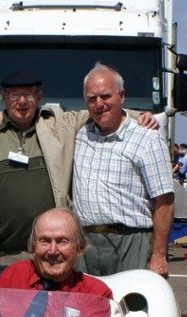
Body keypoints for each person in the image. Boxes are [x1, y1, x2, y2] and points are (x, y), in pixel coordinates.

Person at [0, 70, 157, 265]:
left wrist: (140, 117)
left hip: (54, 257)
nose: (22, 102)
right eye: (14, 95)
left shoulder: (60, 125)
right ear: (3, 97)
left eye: (29, 95)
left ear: (39, 96)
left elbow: (99, 111)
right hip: (0, 258)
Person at [72, 63, 174, 278]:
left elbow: (164, 202)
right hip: (85, 245)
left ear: (122, 96)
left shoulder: (147, 137)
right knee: (85, 309)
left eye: (106, 96)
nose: (99, 104)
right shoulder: (79, 136)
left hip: (131, 242)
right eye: (92, 99)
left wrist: (158, 254)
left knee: (131, 309)